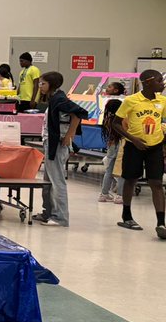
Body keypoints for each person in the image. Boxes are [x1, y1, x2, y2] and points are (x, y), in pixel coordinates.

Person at [111, 69, 166, 237]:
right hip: (134, 147)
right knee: (130, 179)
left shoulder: (163, 101)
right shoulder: (131, 100)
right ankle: (126, 215)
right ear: (148, 82)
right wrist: (133, 139)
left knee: (156, 183)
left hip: (155, 146)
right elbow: (116, 123)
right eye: (159, 81)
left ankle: (161, 223)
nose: (163, 84)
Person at [32, 71, 87, 228]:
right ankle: (48, 212)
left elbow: (78, 113)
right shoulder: (54, 98)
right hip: (50, 142)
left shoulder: (60, 98)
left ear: (52, 84)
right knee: (48, 180)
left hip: (57, 144)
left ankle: (60, 217)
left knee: (57, 181)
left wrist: (70, 135)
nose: (40, 86)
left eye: (42, 83)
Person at [99, 82, 128, 203]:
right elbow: (127, 130)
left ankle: (104, 194)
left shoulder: (107, 119)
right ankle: (120, 196)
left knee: (109, 170)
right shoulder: (122, 120)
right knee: (121, 170)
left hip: (111, 143)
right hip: (122, 143)